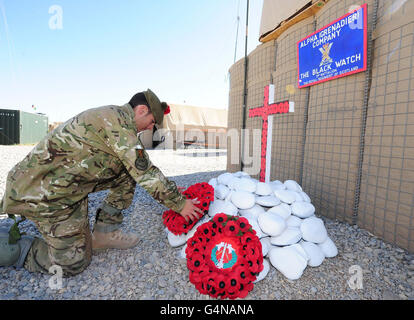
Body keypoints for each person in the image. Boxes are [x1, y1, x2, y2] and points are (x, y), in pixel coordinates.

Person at [0, 89, 204, 277]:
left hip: (66, 189)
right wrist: (180, 203)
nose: (151, 127)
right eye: (152, 122)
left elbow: (138, 166)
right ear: (142, 110)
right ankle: (12, 247)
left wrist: (169, 192)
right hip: (41, 194)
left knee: (127, 173)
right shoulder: (116, 123)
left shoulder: (119, 121)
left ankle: (103, 235)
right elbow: (145, 172)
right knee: (72, 264)